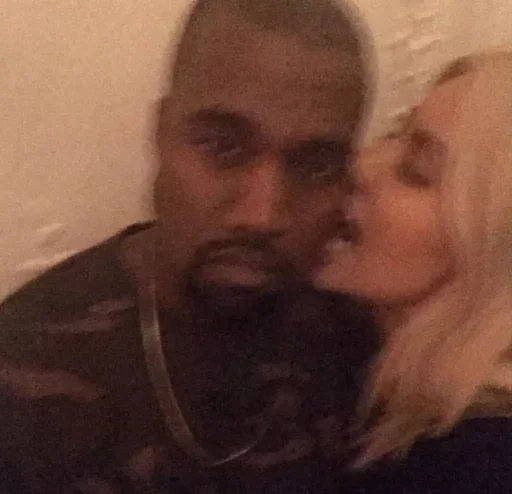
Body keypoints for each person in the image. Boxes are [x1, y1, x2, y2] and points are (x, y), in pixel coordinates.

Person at [0, 0, 375, 492]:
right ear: (161, 134)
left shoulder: (365, 344)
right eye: (224, 147)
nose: (262, 215)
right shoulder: (21, 372)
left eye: (317, 165)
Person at [313, 49, 512, 492]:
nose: (361, 164)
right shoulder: (369, 373)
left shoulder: (483, 463)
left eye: (415, 170)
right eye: (393, 136)